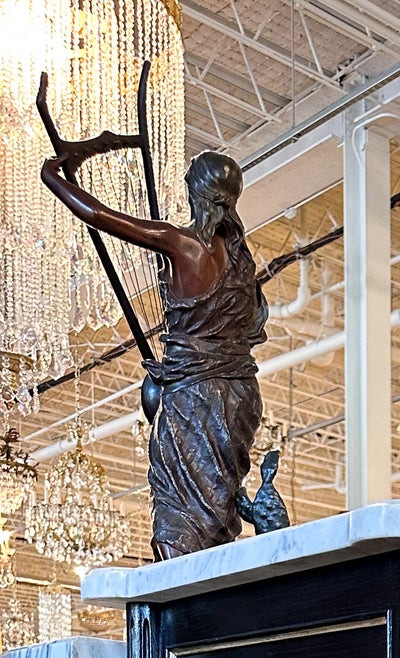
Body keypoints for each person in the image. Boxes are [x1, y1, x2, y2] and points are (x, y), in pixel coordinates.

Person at [42, 139, 268, 559]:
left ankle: (188, 606)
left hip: (195, 397)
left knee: (181, 513)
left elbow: (99, 216)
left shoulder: (182, 243)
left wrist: (52, 177)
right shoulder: (243, 265)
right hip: (239, 396)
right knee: (216, 508)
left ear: (195, 192)